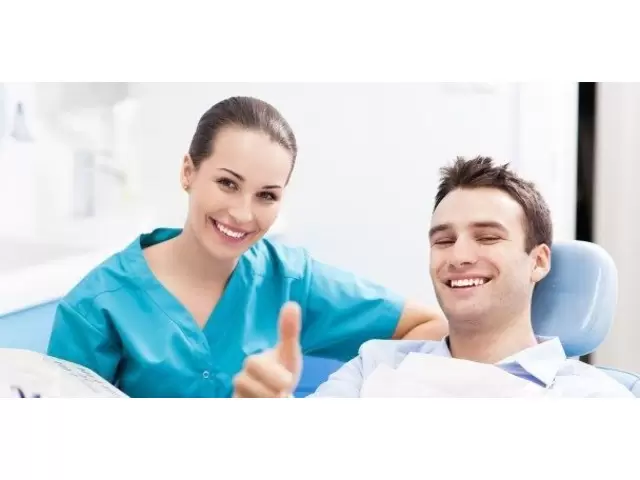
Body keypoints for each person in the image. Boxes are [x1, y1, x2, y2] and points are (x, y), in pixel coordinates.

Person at [46, 96, 447, 398]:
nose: (242, 213)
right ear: (188, 172)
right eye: (227, 183)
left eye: (266, 195)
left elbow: (429, 327)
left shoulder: (291, 280)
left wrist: (340, 396)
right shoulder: (96, 307)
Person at [232, 156, 633, 398]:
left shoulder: (592, 398)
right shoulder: (374, 367)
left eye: (487, 237)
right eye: (443, 240)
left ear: (539, 261)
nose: (458, 257)